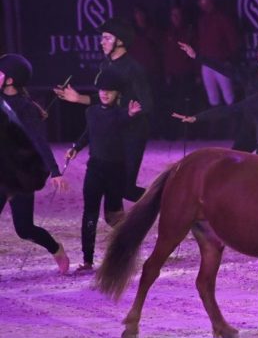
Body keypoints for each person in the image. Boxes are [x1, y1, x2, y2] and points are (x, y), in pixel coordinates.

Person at [54, 17, 153, 203]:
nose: (101, 42)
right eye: (102, 38)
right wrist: (78, 98)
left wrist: (128, 113)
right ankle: (121, 219)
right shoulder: (105, 65)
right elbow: (102, 99)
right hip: (113, 129)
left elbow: (147, 104)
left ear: (120, 41)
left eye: (107, 38)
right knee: (114, 186)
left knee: (126, 189)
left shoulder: (134, 69)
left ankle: (167, 202)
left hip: (132, 132)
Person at [65, 71, 142, 273]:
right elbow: (88, 133)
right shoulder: (91, 112)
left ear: (117, 94)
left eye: (110, 91)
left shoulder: (122, 114)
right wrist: (76, 147)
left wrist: (131, 114)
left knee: (113, 216)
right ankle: (87, 260)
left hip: (116, 171)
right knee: (89, 214)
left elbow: (124, 119)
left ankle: (127, 253)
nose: (105, 93)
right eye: (102, 90)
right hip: (95, 169)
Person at [0, 54, 69, 274]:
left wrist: (55, 171)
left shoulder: (25, 108)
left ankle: (55, 248)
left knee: (24, 229)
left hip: (19, 175)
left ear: (10, 80)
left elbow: (39, 141)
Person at [194, 0, 240, 108]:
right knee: (212, 97)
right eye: (199, 1)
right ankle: (218, 118)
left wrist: (229, 59)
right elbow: (201, 43)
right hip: (206, 64)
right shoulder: (202, 21)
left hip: (221, 62)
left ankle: (233, 118)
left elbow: (232, 39)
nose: (200, 3)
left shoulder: (221, 17)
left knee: (229, 96)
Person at [160, 6, 197, 140]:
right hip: (173, 75)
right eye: (173, 15)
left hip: (186, 73)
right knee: (174, 104)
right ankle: (174, 133)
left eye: (177, 15)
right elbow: (166, 55)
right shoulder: (169, 33)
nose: (175, 18)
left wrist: (196, 72)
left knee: (187, 103)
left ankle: (188, 133)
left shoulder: (189, 31)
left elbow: (195, 54)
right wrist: (167, 72)